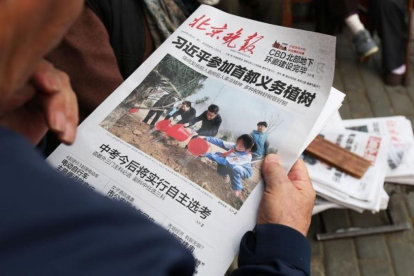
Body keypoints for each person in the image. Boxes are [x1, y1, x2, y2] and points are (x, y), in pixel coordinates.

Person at [1, 1, 315, 275]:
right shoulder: (147, 254)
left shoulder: (237, 144)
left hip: (229, 168)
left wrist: (21, 143)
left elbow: (225, 152)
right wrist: (282, 247)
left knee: (226, 170)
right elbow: (217, 143)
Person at [203, 135, 256, 200]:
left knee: (233, 167)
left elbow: (226, 162)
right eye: (237, 144)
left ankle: (237, 189)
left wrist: (206, 154)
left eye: (240, 147)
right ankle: (224, 174)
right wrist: (208, 139)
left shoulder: (246, 156)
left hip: (244, 171)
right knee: (218, 154)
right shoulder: (235, 146)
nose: (237, 147)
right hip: (231, 164)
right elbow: (221, 143)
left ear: (248, 149)